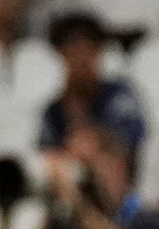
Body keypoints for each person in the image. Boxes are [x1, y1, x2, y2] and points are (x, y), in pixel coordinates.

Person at [38, 10, 147, 168]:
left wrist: (96, 137)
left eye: (87, 49)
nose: (80, 58)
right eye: (73, 50)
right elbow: (46, 151)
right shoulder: (54, 110)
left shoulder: (119, 95)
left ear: (99, 51)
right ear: (61, 54)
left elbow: (133, 137)